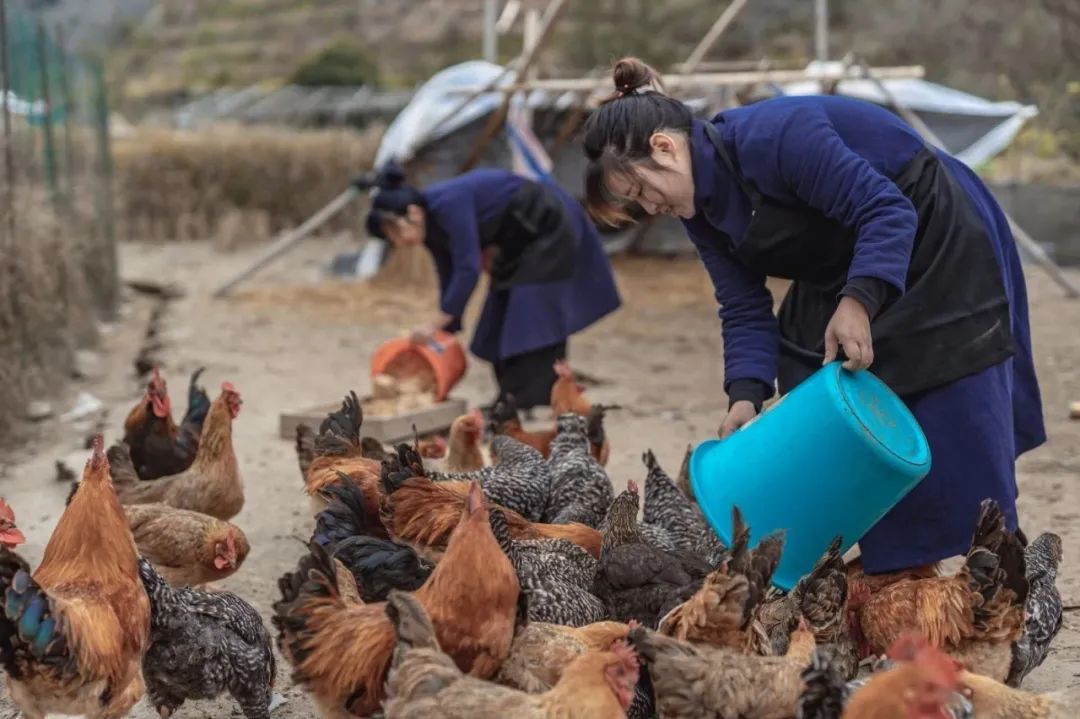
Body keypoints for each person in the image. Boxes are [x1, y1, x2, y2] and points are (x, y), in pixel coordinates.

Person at [581, 58, 1045, 574]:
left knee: (947, 395)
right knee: (816, 379)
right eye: (636, 203)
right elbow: (742, 303)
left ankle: (995, 558)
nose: (650, 206)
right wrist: (745, 394)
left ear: (665, 147)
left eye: (643, 191)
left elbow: (886, 210)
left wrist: (859, 300)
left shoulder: (776, 137)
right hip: (847, 260)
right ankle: (890, 562)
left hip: (931, 229)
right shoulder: (701, 212)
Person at [364, 163, 621, 410]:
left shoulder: (449, 205)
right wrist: (447, 328)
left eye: (395, 231)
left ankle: (532, 400)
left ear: (413, 213)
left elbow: (467, 268)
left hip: (547, 224)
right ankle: (511, 398)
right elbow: (448, 270)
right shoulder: (431, 226)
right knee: (499, 314)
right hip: (518, 242)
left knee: (531, 313)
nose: (398, 241)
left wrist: (436, 323)